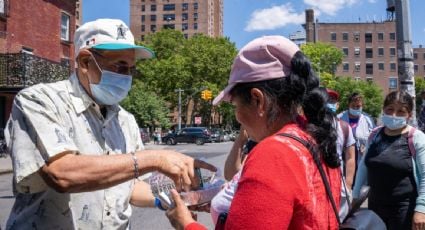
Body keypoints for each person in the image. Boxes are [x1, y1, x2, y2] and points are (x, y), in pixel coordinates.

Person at [4, 18, 215, 230]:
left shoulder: (126, 120)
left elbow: (130, 187)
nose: (127, 77)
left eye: (131, 69)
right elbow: (61, 173)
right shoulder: (39, 101)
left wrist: (178, 199)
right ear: (86, 62)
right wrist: (154, 158)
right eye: (120, 66)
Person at [165, 35, 341, 229]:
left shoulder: (273, 154)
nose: (237, 117)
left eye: (234, 106)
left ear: (258, 100)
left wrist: (186, 224)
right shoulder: (314, 136)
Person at [353, 91, 425, 230]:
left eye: (401, 112)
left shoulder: (416, 138)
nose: (394, 115)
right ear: (383, 110)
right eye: (390, 109)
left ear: (409, 115)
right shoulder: (375, 134)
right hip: (375, 208)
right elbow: (364, 166)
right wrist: (355, 197)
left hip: (404, 210)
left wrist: (421, 209)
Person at [326, 88, 356, 221]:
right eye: (325, 100)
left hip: (338, 185)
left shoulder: (344, 127)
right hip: (312, 186)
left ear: (337, 105)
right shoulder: (306, 126)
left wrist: (348, 184)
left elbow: (350, 157)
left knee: (338, 222)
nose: (328, 103)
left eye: (332, 101)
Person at [338, 92, 375, 175]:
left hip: (361, 160)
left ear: (362, 106)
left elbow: (374, 139)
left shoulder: (368, 120)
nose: (355, 108)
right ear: (348, 105)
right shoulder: (339, 118)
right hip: (344, 160)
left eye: (358, 106)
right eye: (353, 106)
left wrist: (367, 147)